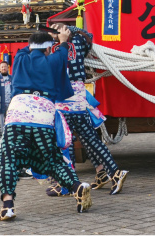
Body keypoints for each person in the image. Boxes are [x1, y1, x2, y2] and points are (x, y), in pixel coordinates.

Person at [0, 28, 92, 221]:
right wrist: (62, 39)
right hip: (43, 116)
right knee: (52, 160)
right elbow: (63, 50)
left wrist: (44, 39)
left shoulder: (22, 58)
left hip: (18, 114)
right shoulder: (56, 58)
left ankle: (7, 206)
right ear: (49, 49)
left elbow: (30, 47)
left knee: (9, 158)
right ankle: (76, 187)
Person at [46, 24, 128, 197]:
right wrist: (71, 29)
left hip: (63, 100)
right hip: (79, 98)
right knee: (92, 140)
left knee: (64, 142)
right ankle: (115, 173)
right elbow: (88, 35)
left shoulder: (55, 48)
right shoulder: (79, 42)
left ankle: (69, 183)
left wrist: (59, 38)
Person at [0, 62, 13, 138]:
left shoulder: (11, 78)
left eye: (5, 66)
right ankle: (0, 137)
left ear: (8, 67)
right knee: (0, 122)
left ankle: (10, 137)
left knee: (11, 121)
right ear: (0, 68)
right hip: (0, 104)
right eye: (2, 67)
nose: (4, 68)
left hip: (11, 103)